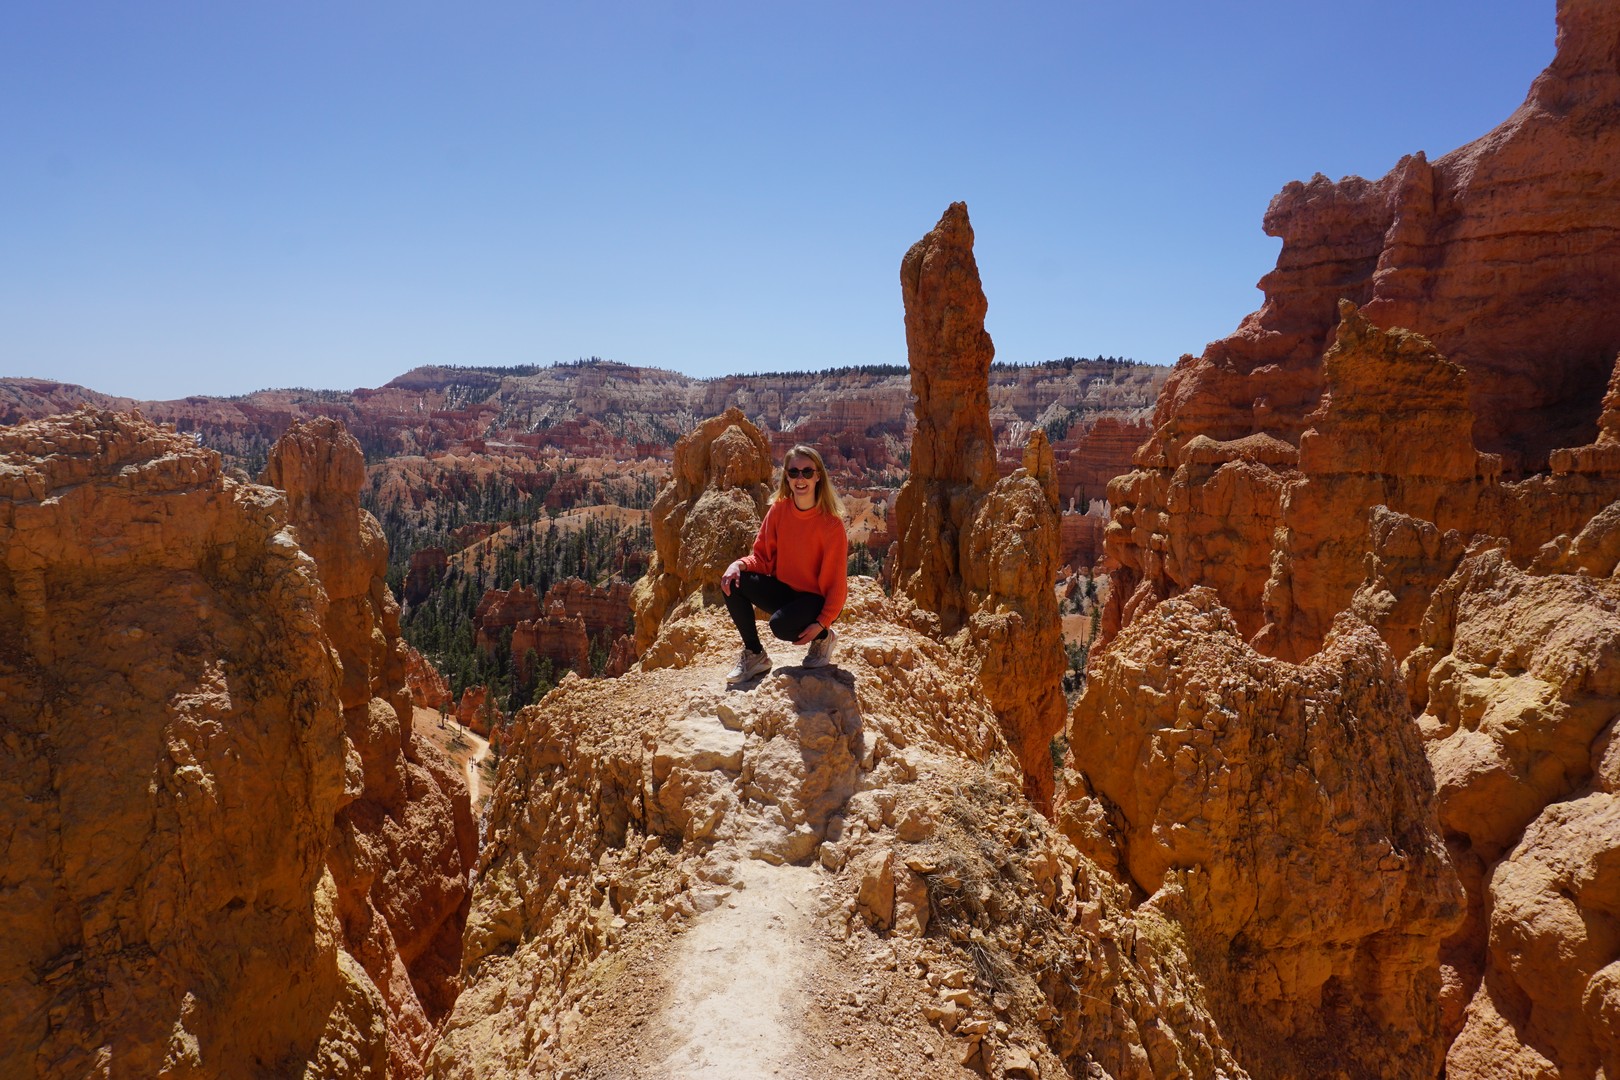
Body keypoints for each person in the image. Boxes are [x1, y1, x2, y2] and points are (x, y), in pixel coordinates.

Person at [721, 444, 848, 684]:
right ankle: (755, 655)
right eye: (794, 472)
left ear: (818, 475)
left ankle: (823, 638)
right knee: (733, 582)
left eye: (807, 472)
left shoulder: (831, 525)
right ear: (786, 477)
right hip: (787, 591)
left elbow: (836, 584)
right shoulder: (779, 510)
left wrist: (823, 622)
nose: (800, 479)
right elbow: (763, 558)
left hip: (816, 599)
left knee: (780, 627)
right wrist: (738, 564)